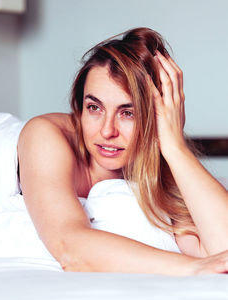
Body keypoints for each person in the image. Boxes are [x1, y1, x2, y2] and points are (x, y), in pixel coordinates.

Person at [16, 27, 228, 275]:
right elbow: (69, 248)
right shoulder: (46, 135)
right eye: (94, 107)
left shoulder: (159, 175)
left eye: (128, 113)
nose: (107, 131)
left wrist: (176, 147)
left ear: (158, 116)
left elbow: (222, 249)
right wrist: (193, 267)